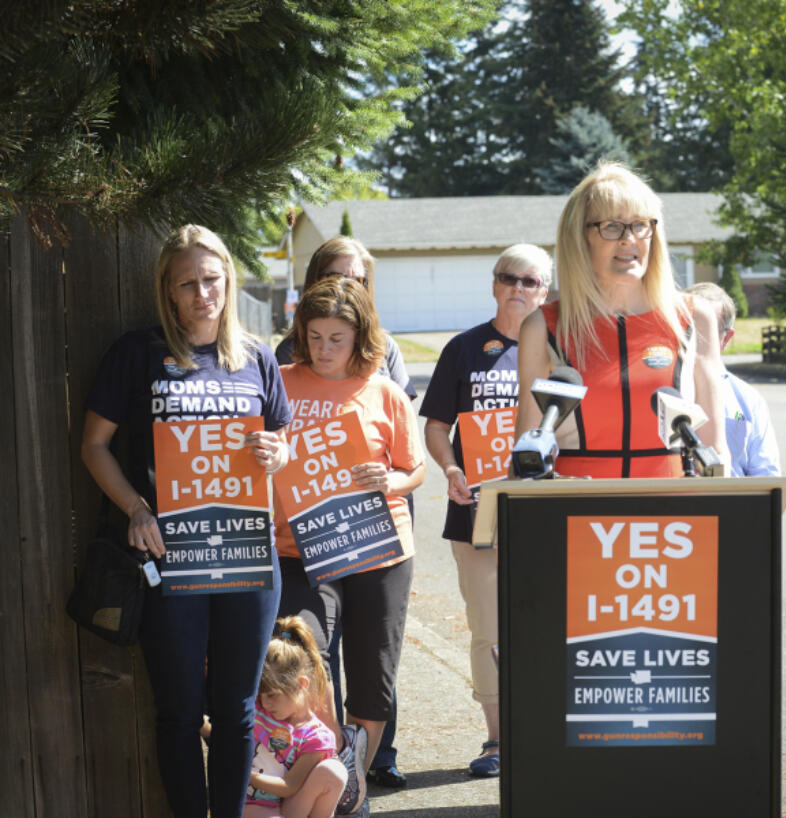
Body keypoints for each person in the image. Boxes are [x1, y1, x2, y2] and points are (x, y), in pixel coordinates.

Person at [80, 225, 291, 818]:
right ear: (168, 292)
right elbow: (94, 446)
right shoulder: (137, 353)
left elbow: (281, 440)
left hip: (248, 557)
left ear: (228, 278)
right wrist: (136, 508)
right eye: (188, 283)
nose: (204, 293)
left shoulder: (257, 356)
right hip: (171, 556)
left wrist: (280, 452)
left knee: (237, 709)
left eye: (213, 279)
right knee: (177, 709)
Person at [272, 276, 426, 815]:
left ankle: (351, 786)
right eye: (314, 337)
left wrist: (389, 481)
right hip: (298, 551)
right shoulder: (280, 381)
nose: (324, 349)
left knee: (372, 673)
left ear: (360, 336)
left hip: (378, 550)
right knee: (305, 658)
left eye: (336, 338)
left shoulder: (382, 390)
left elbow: (416, 469)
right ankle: (328, 768)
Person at [419, 243, 552, 777]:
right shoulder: (464, 349)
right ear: (494, 285)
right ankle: (498, 740)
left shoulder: (559, 350)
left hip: (543, 513)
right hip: (475, 511)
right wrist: (451, 469)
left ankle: (545, 728)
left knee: (549, 624)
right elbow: (434, 426)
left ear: (546, 291)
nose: (518, 288)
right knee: (489, 630)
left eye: (530, 281)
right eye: (508, 278)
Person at [516, 161, 728, 474]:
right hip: (577, 512)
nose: (629, 239)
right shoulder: (543, 326)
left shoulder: (695, 317)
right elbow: (526, 453)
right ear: (580, 237)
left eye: (640, 224)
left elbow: (715, 449)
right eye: (612, 226)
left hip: (676, 514)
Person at [275, 235, 416, 400]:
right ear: (315, 279)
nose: (348, 286)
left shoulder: (385, 346)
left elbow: (401, 412)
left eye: (358, 280)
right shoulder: (291, 350)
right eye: (337, 277)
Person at [245, 616, 347, 818]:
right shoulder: (258, 712)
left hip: (290, 806)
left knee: (334, 771)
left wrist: (245, 775)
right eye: (261, 695)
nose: (265, 703)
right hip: (253, 805)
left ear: (302, 684)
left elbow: (289, 786)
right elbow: (220, 733)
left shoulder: (317, 737)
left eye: (272, 695)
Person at [685, 282, 781, 476]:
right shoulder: (656, 393)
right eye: (687, 329)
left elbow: (766, 475)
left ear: (726, 339)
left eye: (705, 333)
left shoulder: (748, 401)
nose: (693, 341)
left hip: (733, 504)